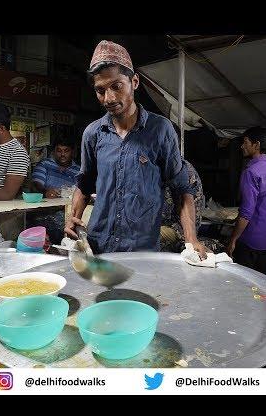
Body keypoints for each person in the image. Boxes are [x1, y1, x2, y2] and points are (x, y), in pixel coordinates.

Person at [64, 40, 207, 258]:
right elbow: (84, 184)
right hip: (98, 244)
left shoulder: (160, 130)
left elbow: (182, 190)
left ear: (135, 81)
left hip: (142, 248)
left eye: (116, 86)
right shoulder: (93, 134)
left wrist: (191, 240)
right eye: (100, 90)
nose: (109, 98)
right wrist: (73, 217)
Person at [226, 127, 266, 276]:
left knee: (247, 286)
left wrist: (233, 239)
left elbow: (246, 212)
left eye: (245, 142)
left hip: (252, 241)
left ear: (256, 145)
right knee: (265, 286)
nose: (242, 146)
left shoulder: (251, 172)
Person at [32, 134, 80, 198]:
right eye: (59, 151)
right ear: (54, 151)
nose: (62, 154)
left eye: (66, 151)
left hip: (69, 206)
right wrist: (45, 192)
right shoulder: (44, 164)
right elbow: (35, 185)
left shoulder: (78, 170)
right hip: (46, 205)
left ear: (72, 152)